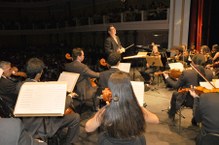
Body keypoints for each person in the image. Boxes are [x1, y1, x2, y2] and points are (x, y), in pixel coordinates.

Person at [85, 71, 159, 144]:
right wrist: (137, 106)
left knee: (102, 136)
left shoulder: (105, 111)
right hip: (133, 142)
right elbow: (156, 120)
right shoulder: (136, 109)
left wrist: (103, 109)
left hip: (110, 142)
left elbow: (88, 128)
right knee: (141, 137)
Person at [19, 57, 80, 145]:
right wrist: (70, 96)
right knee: (75, 117)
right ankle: (69, 143)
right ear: (39, 74)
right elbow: (60, 109)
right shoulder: (40, 89)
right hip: (42, 126)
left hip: (28, 124)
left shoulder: (21, 85)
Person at [163, 54, 213, 124]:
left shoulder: (186, 73)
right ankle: (195, 119)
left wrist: (166, 77)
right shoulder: (210, 73)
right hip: (204, 102)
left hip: (189, 101)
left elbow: (175, 85)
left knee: (175, 94)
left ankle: (171, 114)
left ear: (193, 62)